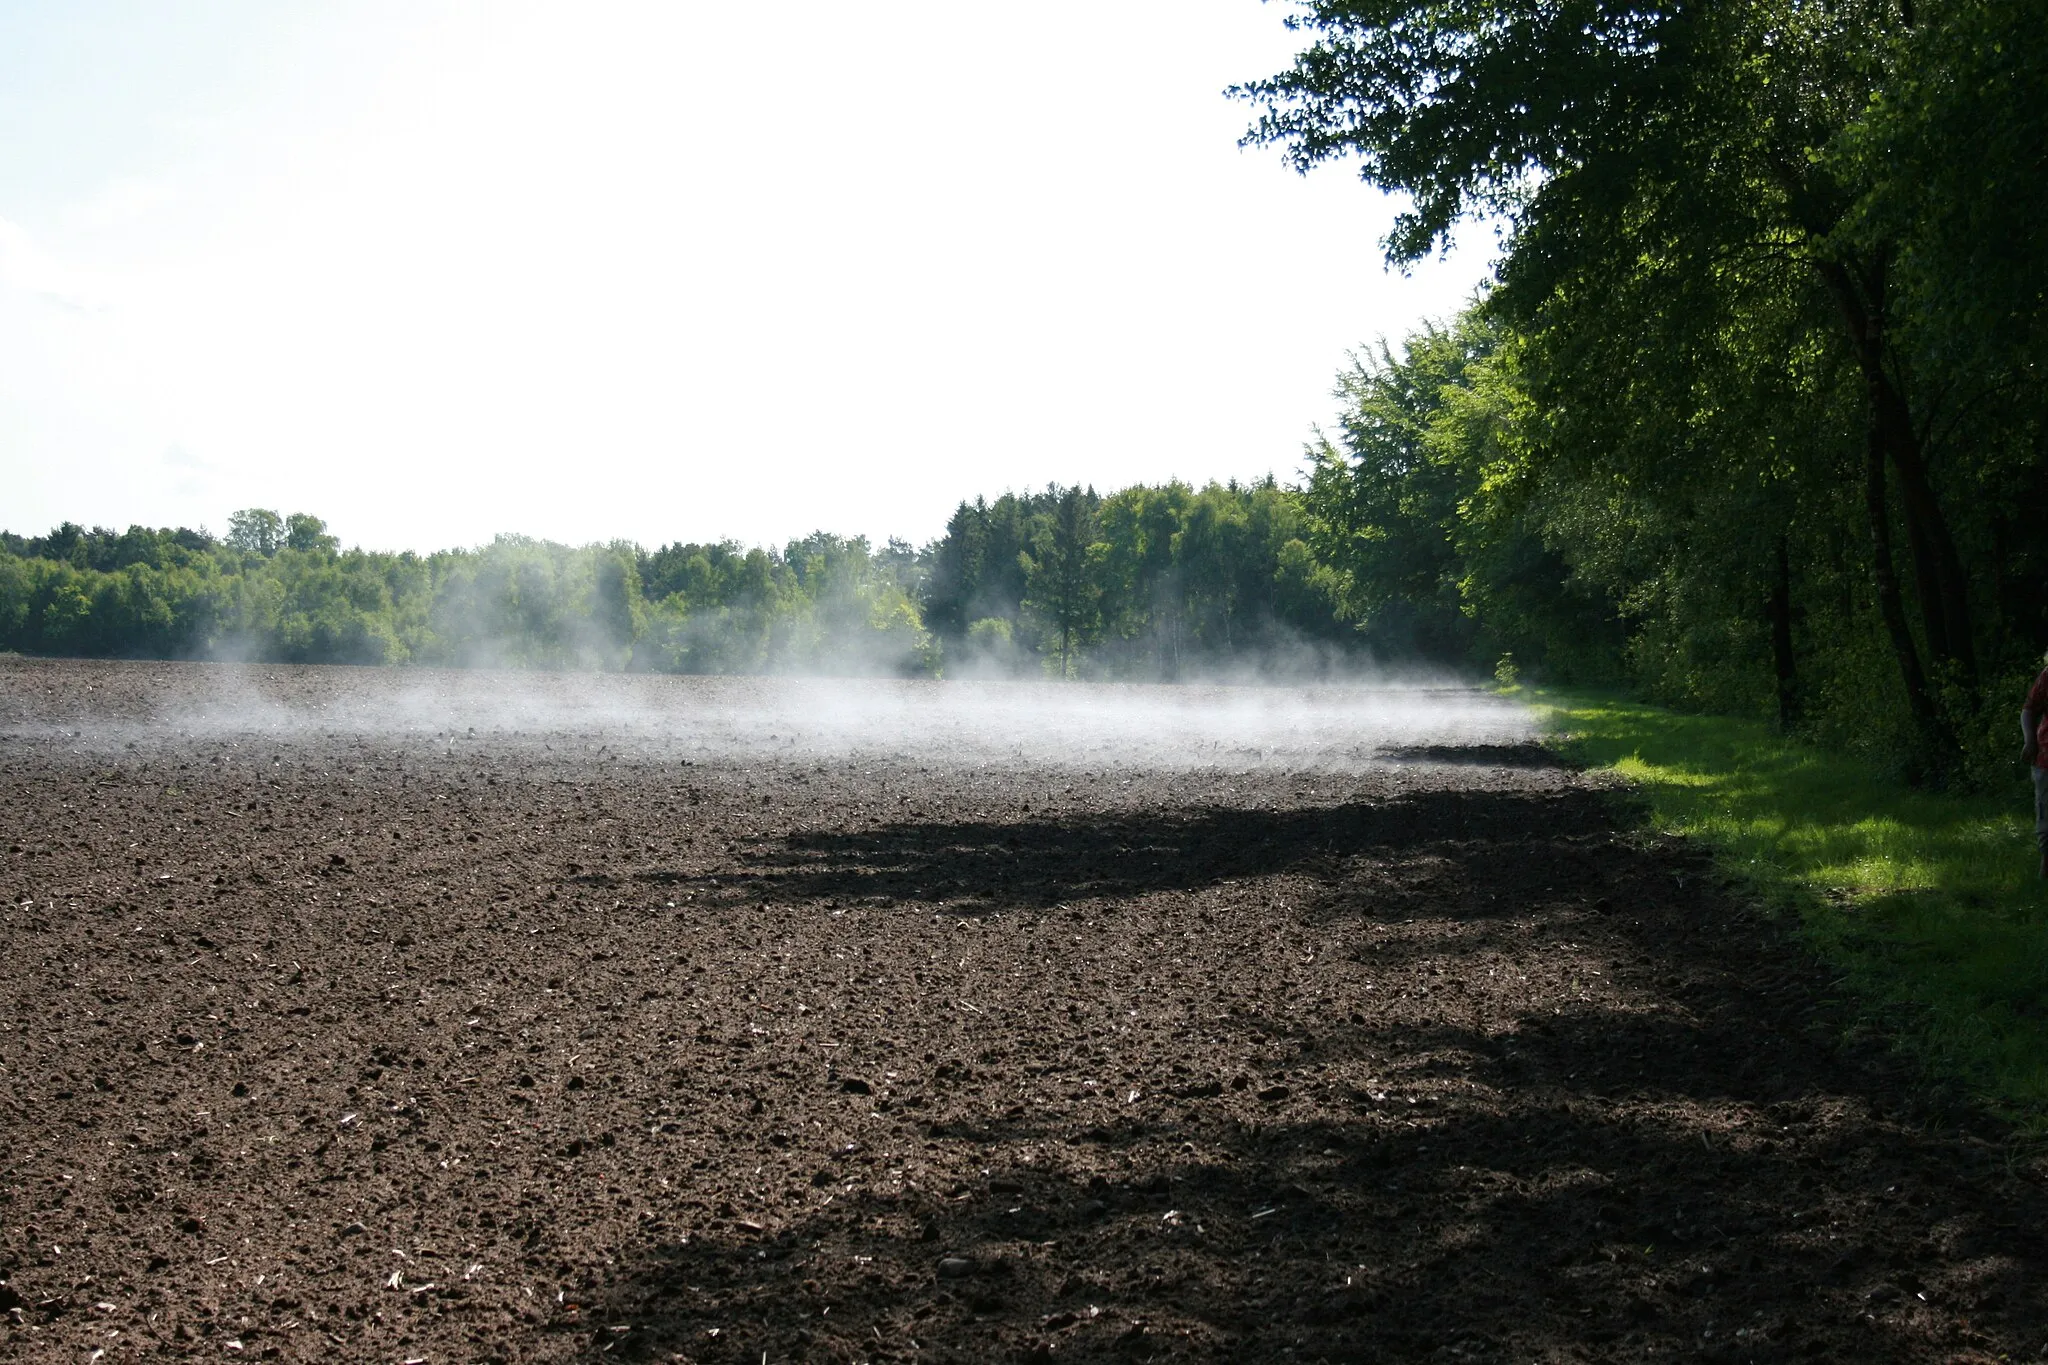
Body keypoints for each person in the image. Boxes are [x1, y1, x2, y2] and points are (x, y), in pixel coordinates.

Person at [2026, 657, 2048, 879]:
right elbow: (2029, 709)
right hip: (2045, 757)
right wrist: (2029, 740)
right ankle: (2046, 864)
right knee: (2046, 814)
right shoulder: (2047, 676)